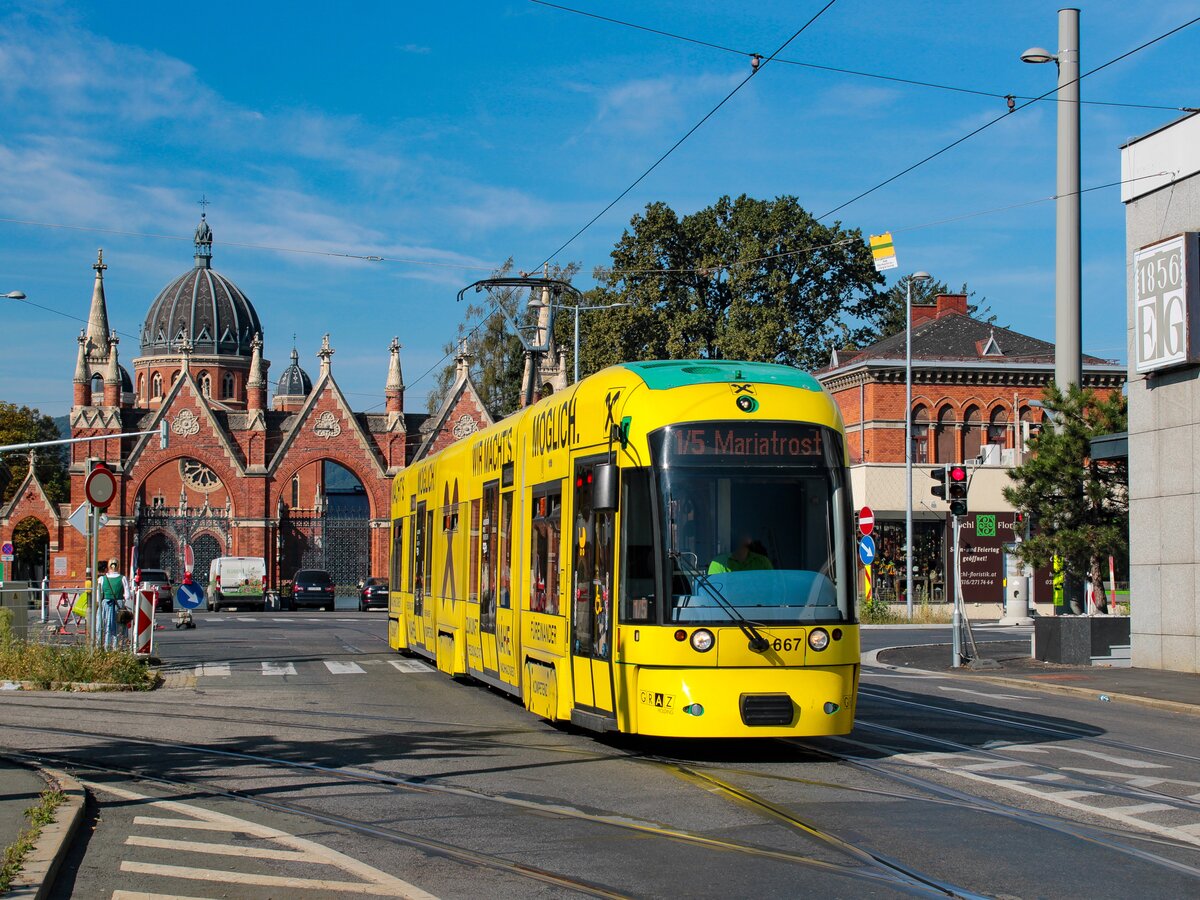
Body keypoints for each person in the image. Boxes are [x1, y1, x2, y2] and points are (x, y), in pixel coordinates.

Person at [98, 558, 131, 650]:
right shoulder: (123, 578)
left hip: (106, 604)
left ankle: (105, 646)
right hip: (118, 604)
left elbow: (99, 595)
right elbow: (127, 595)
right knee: (118, 626)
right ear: (118, 566)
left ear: (108, 566)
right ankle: (116, 646)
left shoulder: (102, 579)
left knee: (105, 625)